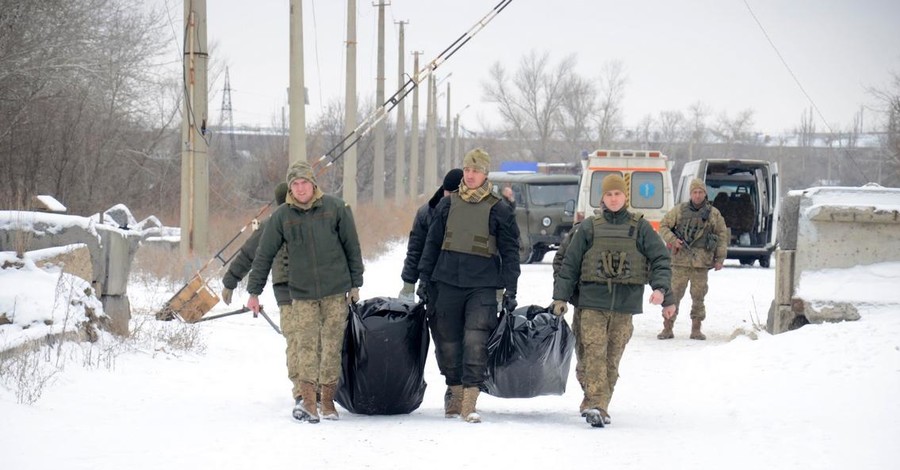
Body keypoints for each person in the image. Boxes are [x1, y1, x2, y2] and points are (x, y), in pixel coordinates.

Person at [551, 174, 675, 428]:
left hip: (624, 305)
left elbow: (660, 259)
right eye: (609, 194)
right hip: (591, 302)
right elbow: (570, 264)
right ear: (602, 198)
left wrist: (662, 292)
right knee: (591, 354)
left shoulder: (640, 227)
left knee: (611, 359)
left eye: (617, 194)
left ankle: (596, 402)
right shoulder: (588, 227)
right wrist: (560, 298)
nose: (613, 198)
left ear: (625, 196)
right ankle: (598, 404)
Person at [246, 160, 364, 424]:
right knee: (306, 346)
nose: (300, 189)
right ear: (290, 187)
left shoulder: (336, 209)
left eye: (304, 183)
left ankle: (328, 401)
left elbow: (352, 247)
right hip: (302, 293)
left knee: (332, 346)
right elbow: (263, 255)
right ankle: (309, 403)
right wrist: (254, 291)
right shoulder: (282, 217)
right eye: (295, 184)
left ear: (313, 183)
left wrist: (356, 283)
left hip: (336, 290)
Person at [417, 148, 520, 423]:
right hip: (446, 282)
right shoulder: (447, 205)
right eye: (467, 170)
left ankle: (470, 400)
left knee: (475, 340)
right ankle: (455, 390)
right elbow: (431, 244)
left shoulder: (499, 208)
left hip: (483, 285)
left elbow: (511, 253)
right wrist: (423, 280)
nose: (471, 175)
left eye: (476, 170)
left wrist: (510, 290)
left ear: (486, 173)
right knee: (447, 342)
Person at [399, 168, 464, 411]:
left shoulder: (474, 213)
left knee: (469, 337)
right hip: (435, 285)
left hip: (469, 284)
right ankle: (453, 385)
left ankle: (464, 389)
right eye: (448, 192)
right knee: (444, 339)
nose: (450, 197)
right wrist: (409, 283)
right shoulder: (427, 213)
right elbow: (415, 249)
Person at [657, 178, 729, 340]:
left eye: (700, 192)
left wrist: (720, 258)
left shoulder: (713, 214)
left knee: (698, 296)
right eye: (695, 192)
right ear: (690, 194)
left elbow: (722, 236)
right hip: (680, 261)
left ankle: (696, 329)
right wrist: (673, 240)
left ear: (705, 194)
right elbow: (663, 226)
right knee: (673, 295)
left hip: (701, 263)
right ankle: (667, 328)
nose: (697, 195)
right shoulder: (679, 210)